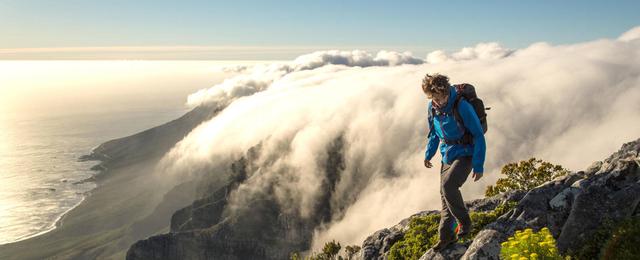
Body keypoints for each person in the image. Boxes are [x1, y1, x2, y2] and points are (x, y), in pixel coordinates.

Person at [421, 73, 486, 251]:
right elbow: (434, 133)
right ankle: (446, 237)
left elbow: (479, 135)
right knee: (445, 197)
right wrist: (429, 154)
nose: (439, 101)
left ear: (447, 91)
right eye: (434, 98)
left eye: (441, 97)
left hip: (466, 153)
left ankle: (465, 223)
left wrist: (478, 165)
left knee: (449, 186)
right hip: (447, 155)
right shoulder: (432, 107)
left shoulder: (461, 106)